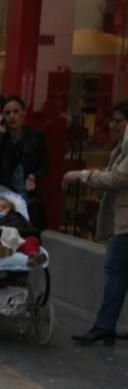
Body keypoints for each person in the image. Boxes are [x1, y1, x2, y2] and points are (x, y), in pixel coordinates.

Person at [64, 101, 128, 346]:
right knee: (119, 273)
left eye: (118, 120)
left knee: (115, 272)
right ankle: (106, 325)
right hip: (121, 219)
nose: (113, 125)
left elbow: (118, 177)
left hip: (125, 223)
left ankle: (104, 326)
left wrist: (82, 175)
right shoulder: (122, 147)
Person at [0, 96, 49, 228]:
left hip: (30, 196)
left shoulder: (35, 137)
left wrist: (34, 176)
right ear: (2, 117)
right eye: (7, 113)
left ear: (23, 113)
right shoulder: (1, 138)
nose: (12, 116)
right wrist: (0, 134)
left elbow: (45, 165)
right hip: (6, 196)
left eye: (16, 112)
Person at [0, 197, 46, 266]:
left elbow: (25, 227)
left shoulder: (16, 217)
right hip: (0, 242)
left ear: (11, 209)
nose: (0, 209)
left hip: (18, 240)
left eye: (4, 207)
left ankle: (34, 256)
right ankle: (0, 250)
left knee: (31, 239)